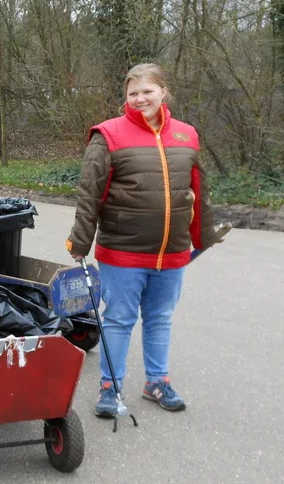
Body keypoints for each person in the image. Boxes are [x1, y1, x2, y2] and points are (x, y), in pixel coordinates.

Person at [66, 63, 220, 418]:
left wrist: (203, 236)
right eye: (133, 93)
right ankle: (110, 388)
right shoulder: (108, 135)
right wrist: (80, 242)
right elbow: (90, 194)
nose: (140, 99)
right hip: (123, 252)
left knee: (160, 317)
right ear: (126, 98)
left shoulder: (187, 135)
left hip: (172, 252)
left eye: (147, 91)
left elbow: (197, 190)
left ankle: (156, 382)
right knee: (119, 319)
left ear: (163, 92)